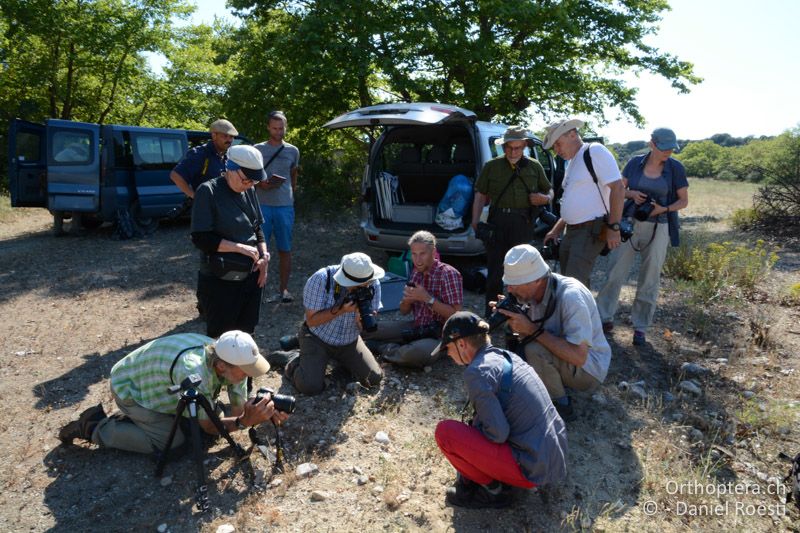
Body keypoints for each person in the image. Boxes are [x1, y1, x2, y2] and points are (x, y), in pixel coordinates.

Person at [58, 331, 288, 453]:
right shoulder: (194, 372)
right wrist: (244, 422)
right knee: (172, 444)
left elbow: (239, 410)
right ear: (221, 366)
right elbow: (211, 425)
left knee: (207, 424)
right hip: (132, 389)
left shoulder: (227, 356)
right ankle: (95, 426)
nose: (248, 376)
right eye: (245, 371)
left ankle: (142, 422)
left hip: (157, 381)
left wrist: (259, 411)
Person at [433, 311, 567, 509]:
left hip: (532, 468)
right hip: (554, 455)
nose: (449, 354)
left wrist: (475, 434)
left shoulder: (476, 372)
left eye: (448, 348)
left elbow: (498, 434)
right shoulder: (505, 355)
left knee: (446, 433)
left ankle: (495, 492)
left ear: (462, 344)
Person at [596, 128, 689, 346]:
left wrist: (662, 209)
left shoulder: (676, 168)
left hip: (660, 227)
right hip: (629, 223)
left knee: (650, 277)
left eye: (671, 148)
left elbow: (683, 201)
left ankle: (640, 327)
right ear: (652, 144)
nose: (668, 152)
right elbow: (618, 189)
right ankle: (603, 317)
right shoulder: (634, 162)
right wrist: (631, 194)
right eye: (664, 148)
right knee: (615, 271)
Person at [497, 245, 611, 421]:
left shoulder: (571, 296)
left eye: (514, 284)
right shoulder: (536, 292)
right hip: (566, 359)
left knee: (534, 348)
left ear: (535, 280)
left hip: (589, 370)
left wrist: (531, 329)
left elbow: (579, 357)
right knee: (523, 340)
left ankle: (560, 407)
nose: (510, 289)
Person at [271, 252, 384, 395]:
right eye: (357, 286)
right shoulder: (321, 279)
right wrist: (340, 310)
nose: (363, 288)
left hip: (349, 341)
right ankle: (292, 360)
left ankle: (335, 361)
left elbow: (364, 328)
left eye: (365, 284)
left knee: (373, 378)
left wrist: (360, 319)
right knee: (309, 387)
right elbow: (311, 321)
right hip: (317, 337)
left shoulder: (373, 283)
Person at [471, 126, 553, 316]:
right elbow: (480, 194)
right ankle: (492, 315)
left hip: (523, 222)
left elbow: (549, 190)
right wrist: (475, 221)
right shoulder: (491, 166)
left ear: (524, 146)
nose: (513, 152)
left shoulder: (534, 166)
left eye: (518, 148)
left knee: (522, 270)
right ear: (504, 146)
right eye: (510, 148)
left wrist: (545, 198)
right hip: (497, 221)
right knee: (495, 271)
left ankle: (521, 314)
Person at [191, 145, 270, 339]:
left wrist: (265, 256)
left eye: (254, 181)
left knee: (246, 333)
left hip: (251, 274)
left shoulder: (249, 189)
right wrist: (238, 248)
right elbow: (201, 238)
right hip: (220, 278)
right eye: (246, 179)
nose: (249, 184)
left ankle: (242, 369)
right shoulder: (208, 191)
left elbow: (257, 228)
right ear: (230, 168)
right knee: (220, 336)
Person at [542, 119, 625, 289]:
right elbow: (573, 200)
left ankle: (579, 315)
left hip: (589, 230)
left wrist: (614, 228)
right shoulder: (572, 161)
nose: (556, 151)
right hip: (572, 231)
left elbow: (618, 188)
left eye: (558, 144)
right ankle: (582, 314)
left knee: (573, 286)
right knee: (568, 282)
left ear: (572, 134)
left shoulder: (594, 151)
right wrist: (556, 230)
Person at [364, 231, 462, 367]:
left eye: (423, 254)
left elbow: (456, 315)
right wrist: (407, 301)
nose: (418, 259)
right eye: (414, 254)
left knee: (412, 353)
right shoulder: (415, 273)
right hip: (417, 327)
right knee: (369, 328)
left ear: (433, 252)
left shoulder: (449, 274)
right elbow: (404, 311)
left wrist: (428, 299)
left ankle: (383, 348)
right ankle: (356, 346)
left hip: (440, 335)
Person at [254, 111, 300, 304]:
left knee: (285, 249)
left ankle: (284, 290)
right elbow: (248, 176)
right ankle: (255, 292)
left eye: (281, 128)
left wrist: (290, 194)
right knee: (257, 250)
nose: (278, 132)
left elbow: (294, 175)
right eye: (275, 128)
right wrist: (260, 184)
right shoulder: (257, 149)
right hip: (261, 205)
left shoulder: (293, 151)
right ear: (268, 127)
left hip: (284, 206)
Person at [170, 119, 237, 199]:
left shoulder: (227, 156)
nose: (229, 140)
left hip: (220, 206)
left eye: (231, 137)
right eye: (225, 136)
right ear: (214, 135)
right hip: (205, 208)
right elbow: (175, 175)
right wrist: (195, 197)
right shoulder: (200, 154)